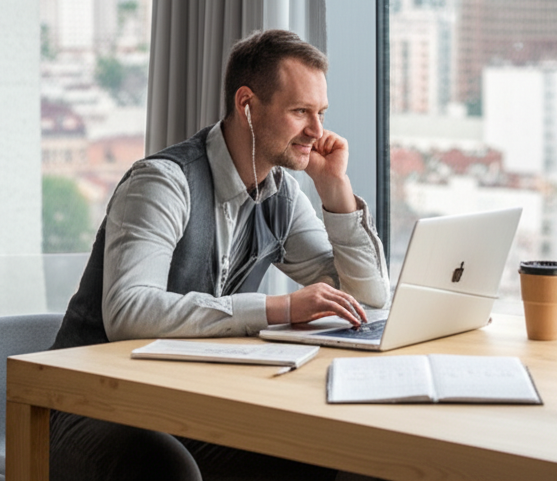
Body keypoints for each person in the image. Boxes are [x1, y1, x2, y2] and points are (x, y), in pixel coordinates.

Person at [49, 29, 390, 481]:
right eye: (300, 112)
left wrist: (335, 191)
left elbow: (368, 296)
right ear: (247, 105)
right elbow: (128, 311)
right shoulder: (163, 183)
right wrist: (279, 308)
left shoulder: (282, 194)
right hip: (89, 405)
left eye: (321, 113)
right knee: (161, 468)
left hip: (185, 402)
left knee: (330, 453)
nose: (317, 131)